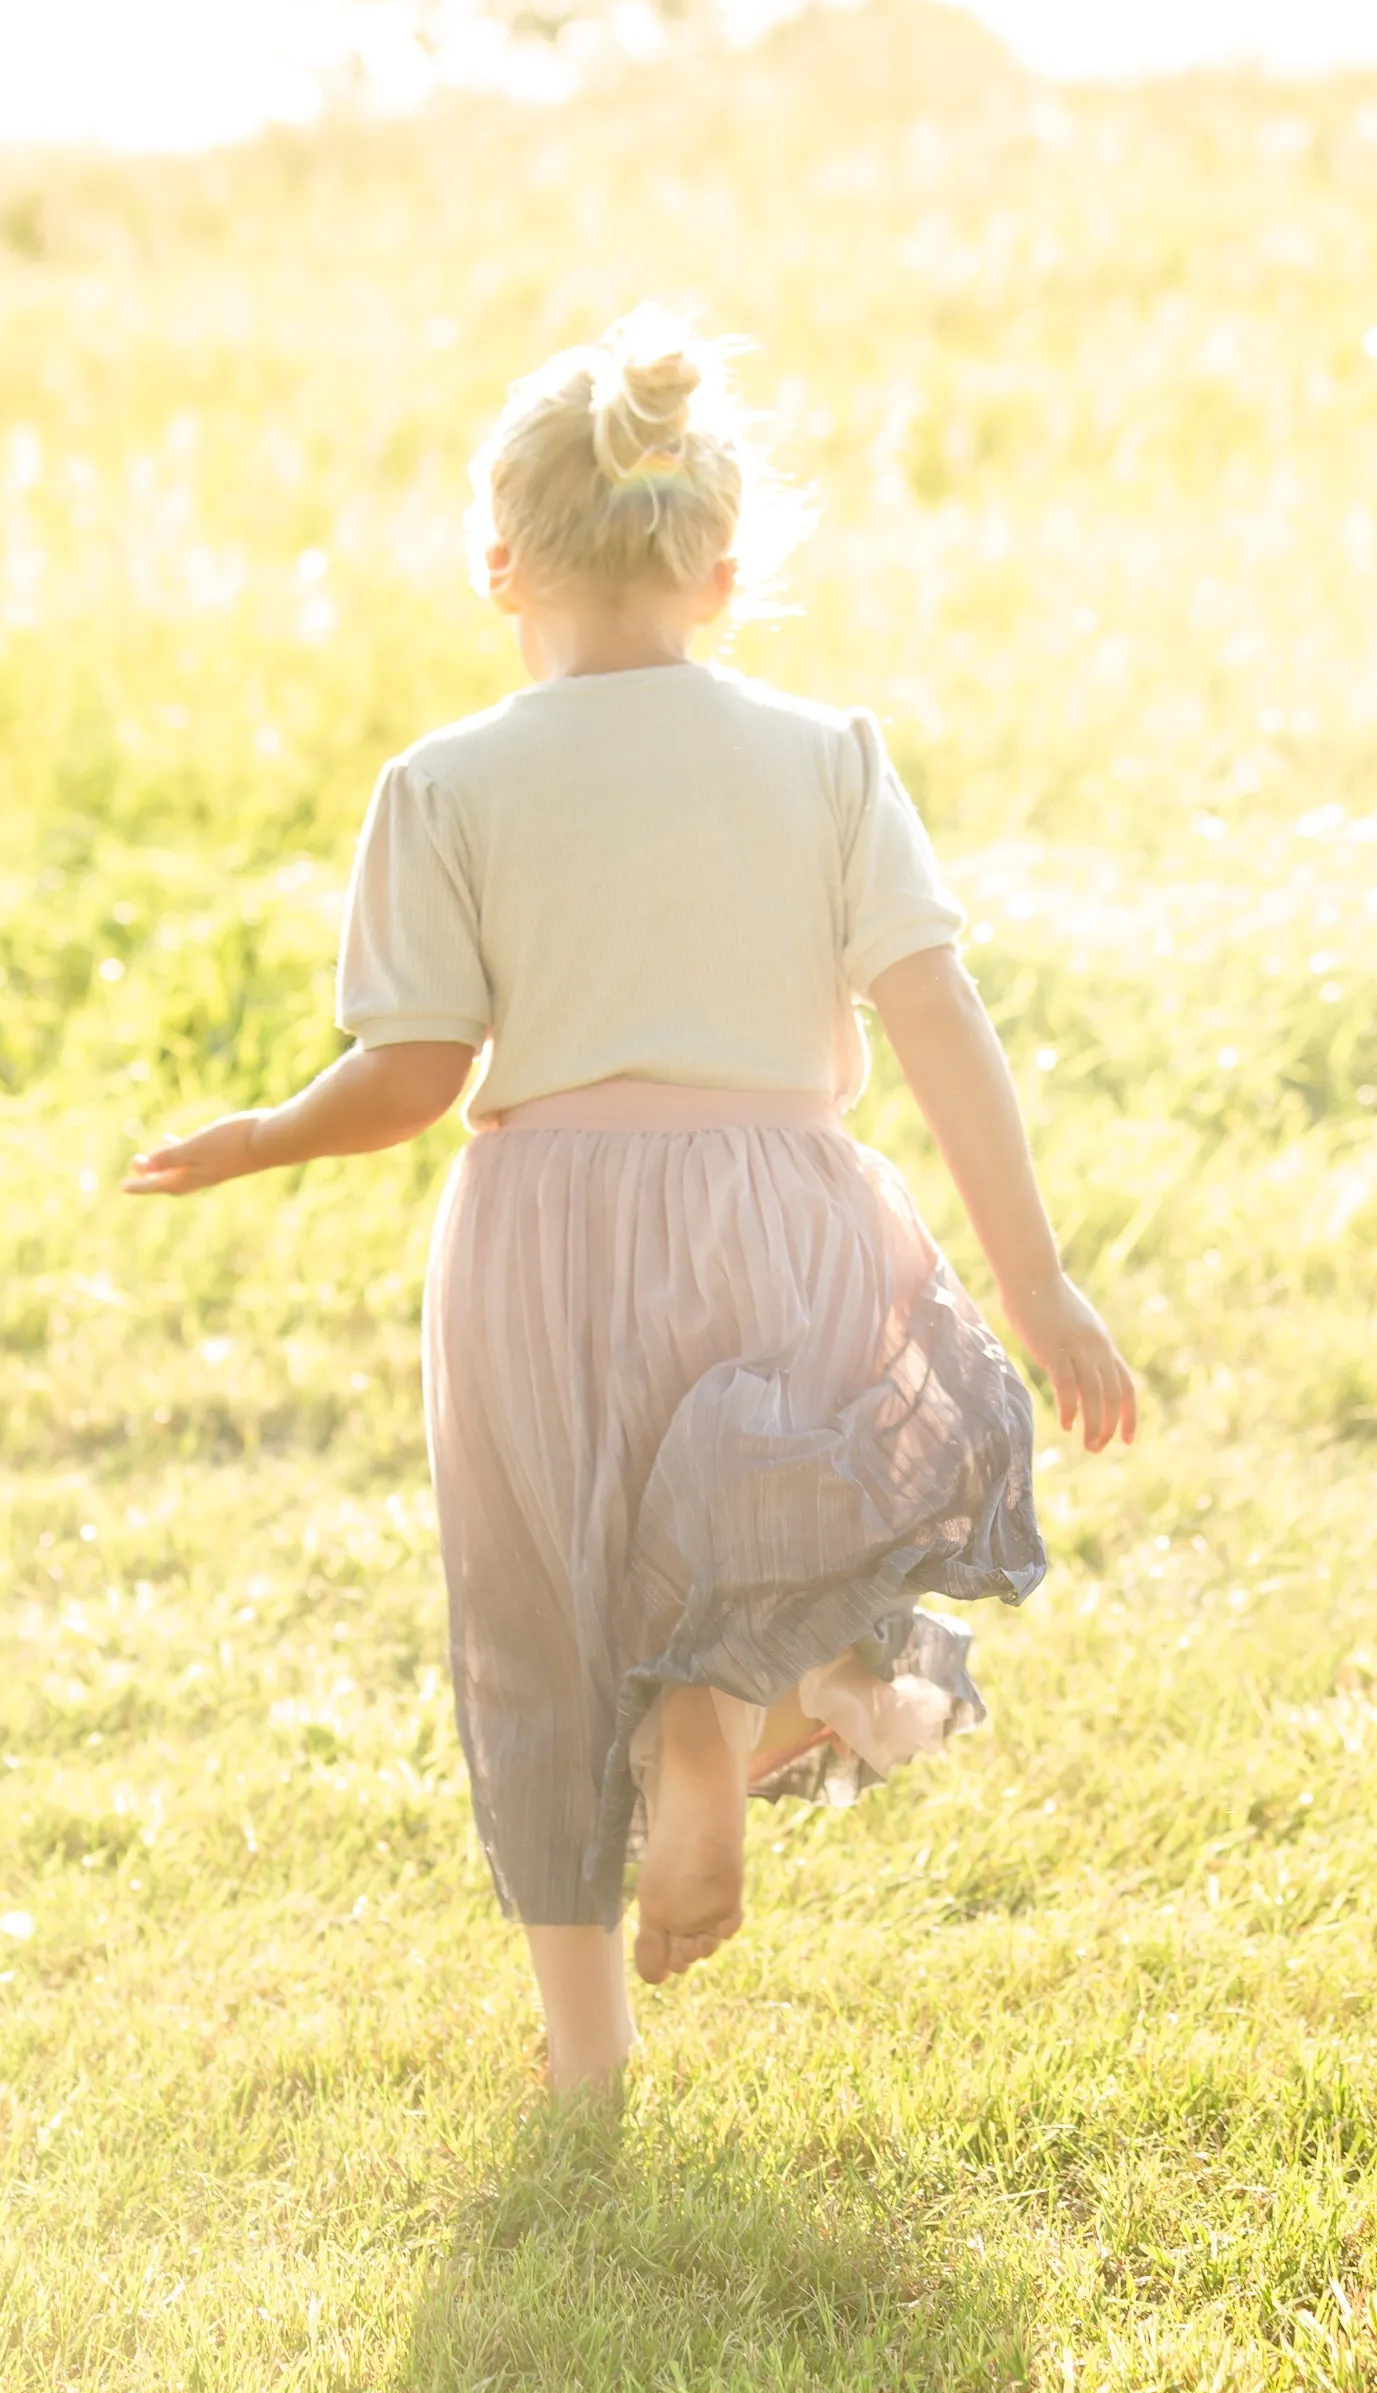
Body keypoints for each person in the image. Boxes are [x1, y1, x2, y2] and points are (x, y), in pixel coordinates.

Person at [126, 307, 1136, 2092]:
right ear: (724, 570)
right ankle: (735, 1717)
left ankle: (587, 2068)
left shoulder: (443, 784)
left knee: (542, 1625)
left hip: (540, 1247)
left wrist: (267, 1133)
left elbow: (417, 1075)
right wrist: (1036, 1282)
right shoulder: (827, 756)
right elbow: (934, 1017)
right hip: (781, 1205)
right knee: (788, 1532)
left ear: (493, 561)